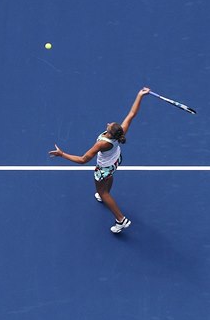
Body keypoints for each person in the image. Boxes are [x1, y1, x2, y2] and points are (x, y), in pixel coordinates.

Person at [49, 87, 150, 233]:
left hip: (104, 168)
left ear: (109, 133)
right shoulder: (121, 132)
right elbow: (132, 114)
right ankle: (106, 194)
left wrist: (62, 154)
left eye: (109, 126)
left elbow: (83, 159)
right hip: (115, 162)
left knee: (102, 192)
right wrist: (139, 95)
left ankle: (121, 219)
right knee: (108, 180)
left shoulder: (102, 144)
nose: (108, 123)